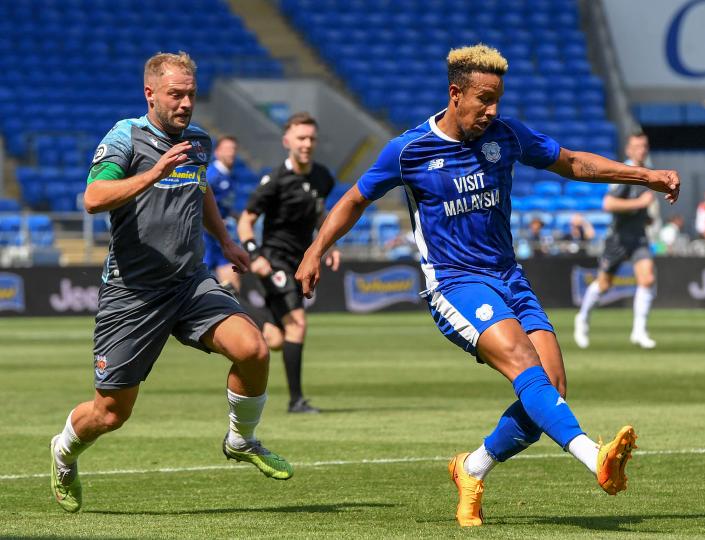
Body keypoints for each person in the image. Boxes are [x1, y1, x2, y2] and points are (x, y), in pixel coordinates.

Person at [295, 44, 680, 527]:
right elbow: (355, 198)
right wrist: (315, 249)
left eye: (497, 99)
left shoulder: (507, 135)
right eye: (484, 99)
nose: (492, 110)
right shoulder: (409, 150)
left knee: (550, 390)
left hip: (509, 277)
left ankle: (472, 468)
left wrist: (644, 176)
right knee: (524, 364)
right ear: (455, 94)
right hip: (455, 284)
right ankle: (593, 456)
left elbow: (572, 162)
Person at [49, 52, 292, 514]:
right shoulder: (125, 137)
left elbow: (200, 189)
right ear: (150, 94)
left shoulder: (198, 141)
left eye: (191, 95)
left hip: (188, 282)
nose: (185, 104)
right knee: (110, 413)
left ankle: (241, 439)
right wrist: (153, 172)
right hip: (133, 293)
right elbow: (93, 198)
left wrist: (226, 240)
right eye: (175, 95)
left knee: (253, 349)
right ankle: (63, 451)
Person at [237, 112, 339, 414]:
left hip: (300, 262)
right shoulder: (275, 180)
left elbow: (320, 214)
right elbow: (245, 221)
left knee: (277, 339)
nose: (306, 144)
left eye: (311, 138)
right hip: (275, 261)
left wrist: (327, 245)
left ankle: (236, 302)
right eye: (301, 138)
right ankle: (296, 401)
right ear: (287, 141)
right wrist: (255, 254)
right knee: (297, 325)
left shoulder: (323, 177)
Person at [574, 131, 659, 349]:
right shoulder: (625, 173)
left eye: (645, 146)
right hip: (618, 239)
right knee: (604, 284)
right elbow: (608, 204)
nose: (642, 150)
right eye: (637, 146)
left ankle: (639, 331)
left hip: (638, 236)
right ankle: (582, 318)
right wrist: (640, 204)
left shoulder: (646, 173)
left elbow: (640, 207)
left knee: (647, 279)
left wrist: (645, 216)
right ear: (629, 150)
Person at [203, 135, 241, 293]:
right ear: (217, 152)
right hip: (206, 239)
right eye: (227, 149)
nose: (231, 153)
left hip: (220, 238)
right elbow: (197, 202)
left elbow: (224, 205)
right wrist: (215, 222)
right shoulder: (211, 175)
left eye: (233, 149)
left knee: (233, 285)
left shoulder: (229, 176)